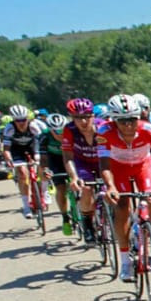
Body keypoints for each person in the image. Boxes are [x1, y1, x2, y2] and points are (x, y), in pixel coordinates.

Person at [97, 93, 151, 281]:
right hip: (117, 168)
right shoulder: (104, 132)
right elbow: (104, 164)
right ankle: (125, 259)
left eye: (132, 119)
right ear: (113, 120)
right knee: (122, 208)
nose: (128, 125)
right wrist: (110, 186)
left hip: (143, 166)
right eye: (122, 121)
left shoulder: (150, 129)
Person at [62, 97, 103, 244]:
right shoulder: (69, 130)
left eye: (86, 117)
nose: (83, 122)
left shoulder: (103, 127)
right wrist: (73, 177)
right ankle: (87, 224)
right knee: (86, 188)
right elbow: (67, 156)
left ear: (93, 116)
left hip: (102, 162)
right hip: (82, 163)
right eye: (78, 118)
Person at [1, 104, 42, 222]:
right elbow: (7, 149)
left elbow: (40, 142)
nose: (21, 123)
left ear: (27, 119)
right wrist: (9, 160)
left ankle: (43, 192)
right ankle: (26, 206)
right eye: (18, 120)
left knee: (41, 167)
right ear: (13, 120)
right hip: (16, 150)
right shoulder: (9, 128)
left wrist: (38, 155)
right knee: (22, 173)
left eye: (23, 120)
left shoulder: (33, 126)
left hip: (32, 147)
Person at [39, 113, 74, 234]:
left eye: (62, 130)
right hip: (54, 160)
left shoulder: (72, 132)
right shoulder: (44, 136)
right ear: (50, 130)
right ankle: (65, 217)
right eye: (56, 132)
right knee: (61, 188)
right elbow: (43, 159)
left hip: (71, 158)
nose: (60, 134)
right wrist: (46, 170)